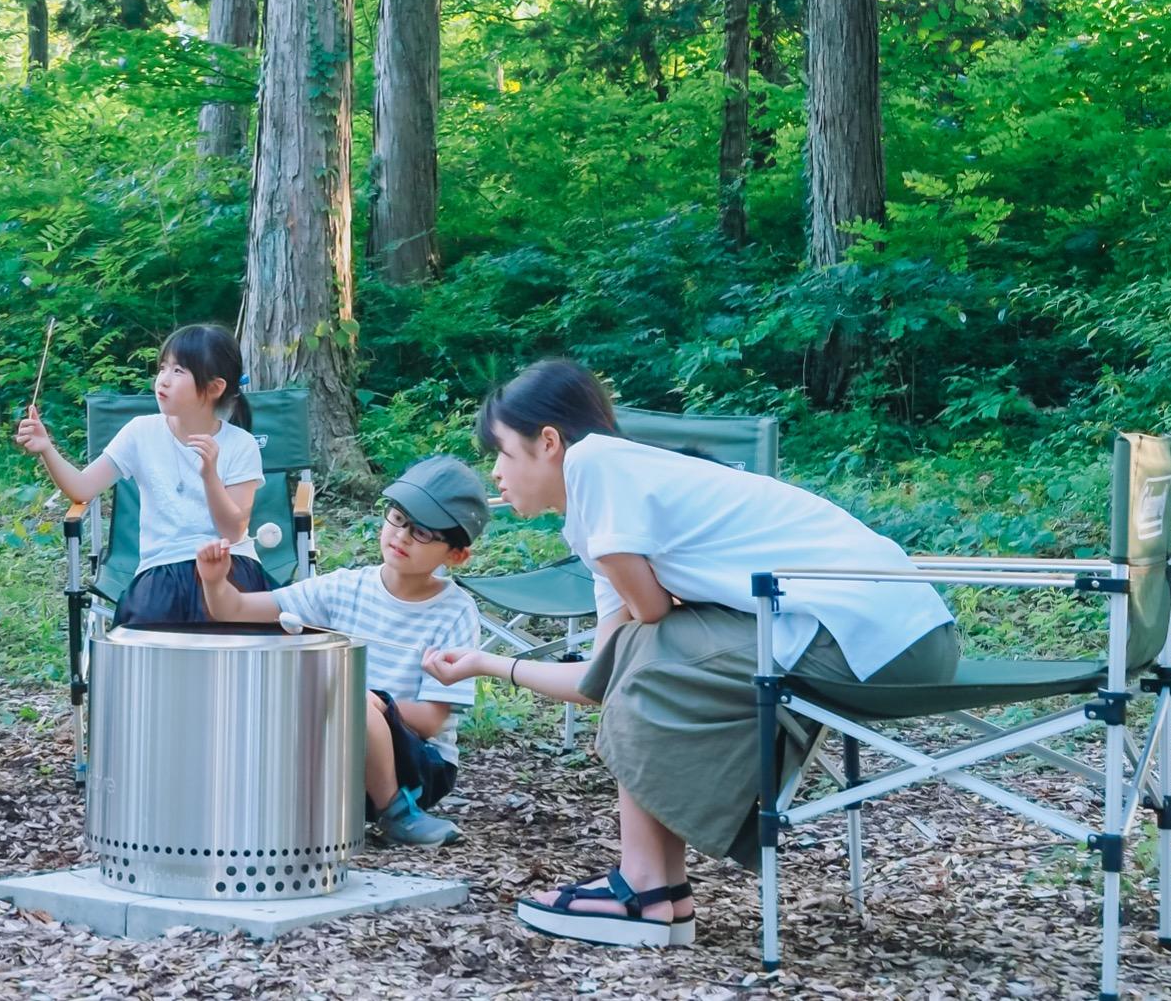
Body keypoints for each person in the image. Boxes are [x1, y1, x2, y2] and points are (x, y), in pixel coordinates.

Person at [425, 359, 957, 947]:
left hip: (874, 642)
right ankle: (661, 894)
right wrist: (484, 663)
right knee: (641, 659)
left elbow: (649, 617)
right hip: (892, 634)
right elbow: (598, 677)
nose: (496, 474)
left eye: (501, 452)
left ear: (549, 442)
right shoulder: (605, 508)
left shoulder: (596, 464)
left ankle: (645, 889)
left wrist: (656, 606)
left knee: (648, 656)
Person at [197, 455, 488, 847]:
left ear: (455, 555)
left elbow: (433, 721)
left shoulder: (454, 612)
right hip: (338, 750)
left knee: (351, 697)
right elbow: (234, 609)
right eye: (398, 519)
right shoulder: (344, 588)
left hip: (419, 766)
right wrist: (215, 582)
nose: (401, 536)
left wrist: (377, 704)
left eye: (422, 533)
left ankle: (396, 812)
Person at [13, 323, 267, 626]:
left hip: (230, 566)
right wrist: (46, 448)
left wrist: (210, 475)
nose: (163, 380)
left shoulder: (240, 444)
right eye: (163, 367)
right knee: (149, 634)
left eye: (179, 371)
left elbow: (233, 532)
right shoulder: (140, 432)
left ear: (215, 387)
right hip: (162, 570)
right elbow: (82, 489)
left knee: (236, 634)